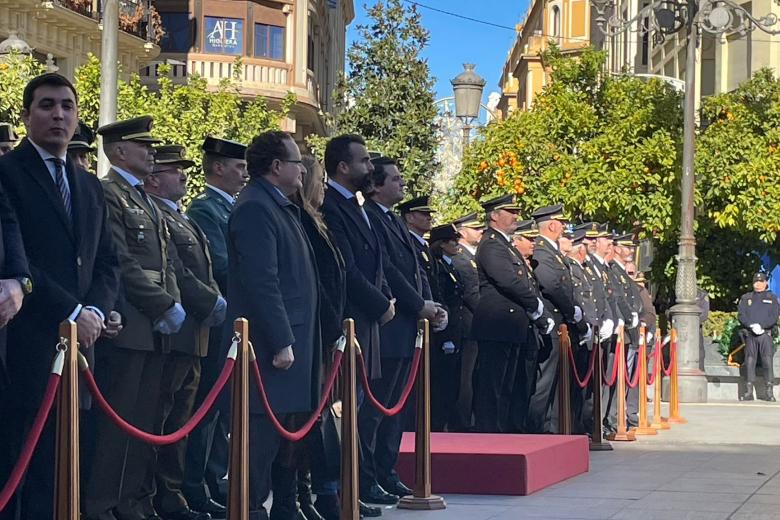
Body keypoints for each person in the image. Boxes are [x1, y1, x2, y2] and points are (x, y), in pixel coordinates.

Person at [0, 73, 119, 520]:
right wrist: (71, 311)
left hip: (82, 350)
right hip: (26, 346)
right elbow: (18, 258)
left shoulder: (87, 183)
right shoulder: (7, 174)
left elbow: (107, 260)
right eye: (47, 105)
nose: (58, 114)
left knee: (66, 468)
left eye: (67, 106)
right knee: (22, 468)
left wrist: (96, 310)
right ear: (27, 114)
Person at [86, 115, 186, 520]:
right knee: (117, 426)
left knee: (142, 424)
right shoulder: (108, 192)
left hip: (152, 329)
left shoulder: (143, 198)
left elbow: (165, 262)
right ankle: (100, 505)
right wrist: (161, 303)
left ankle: (128, 502)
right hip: (127, 322)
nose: (151, 152)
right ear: (119, 151)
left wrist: (170, 302)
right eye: (142, 146)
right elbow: (121, 261)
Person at [225, 130, 321, 520]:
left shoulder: (279, 206)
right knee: (259, 441)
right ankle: (248, 511)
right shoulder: (255, 208)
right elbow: (261, 280)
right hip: (269, 349)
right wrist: (281, 339)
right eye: (296, 162)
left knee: (284, 440)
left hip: (294, 341)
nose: (302, 171)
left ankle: (278, 508)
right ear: (277, 166)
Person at [145, 144, 227, 520]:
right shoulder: (159, 216)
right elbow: (177, 270)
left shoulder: (180, 216)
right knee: (162, 420)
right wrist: (211, 303)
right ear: (154, 178)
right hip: (174, 333)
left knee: (184, 420)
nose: (183, 174)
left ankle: (176, 493)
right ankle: (156, 496)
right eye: (175, 169)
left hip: (195, 336)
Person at [320, 135, 393, 518]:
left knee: (358, 412)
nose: (371, 168)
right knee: (340, 414)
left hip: (364, 326)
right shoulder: (331, 206)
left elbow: (374, 266)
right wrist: (382, 305)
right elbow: (346, 269)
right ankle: (333, 492)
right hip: (347, 323)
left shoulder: (356, 205)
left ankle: (351, 488)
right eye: (364, 161)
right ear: (343, 167)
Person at [361, 157, 436, 505]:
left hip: (406, 327)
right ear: (376, 185)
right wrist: (417, 304)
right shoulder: (371, 218)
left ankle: (386, 470)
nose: (401, 185)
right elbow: (389, 270)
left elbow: (414, 270)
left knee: (395, 409)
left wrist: (430, 305)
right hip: (389, 324)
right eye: (395, 179)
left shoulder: (390, 219)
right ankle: (367, 476)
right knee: (377, 408)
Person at [184, 136, 248, 512]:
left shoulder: (232, 208)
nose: (243, 174)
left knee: (223, 410)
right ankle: (198, 482)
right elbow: (222, 266)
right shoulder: (207, 209)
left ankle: (213, 479)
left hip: (234, 322)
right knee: (207, 408)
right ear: (218, 167)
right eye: (238, 167)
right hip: (219, 320)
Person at [471, 195, 553, 433]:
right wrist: (535, 305)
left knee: (506, 385)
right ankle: (490, 433)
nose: (516, 216)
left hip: (512, 325)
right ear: (494, 215)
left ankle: (502, 431)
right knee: (492, 385)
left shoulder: (505, 244)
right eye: (510, 211)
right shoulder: (491, 244)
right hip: (498, 324)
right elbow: (508, 280)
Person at [294, 155, 346, 520]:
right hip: (314, 329)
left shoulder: (318, 221)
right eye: (319, 180)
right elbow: (316, 283)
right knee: (307, 419)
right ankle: (308, 493)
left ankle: (320, 492)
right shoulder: (300, 220)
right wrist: (332, 324)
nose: (324, 187)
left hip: (326, 330)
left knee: (319, 416)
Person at [527, 204, 582, 434]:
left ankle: (551, 428)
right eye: (561, 223)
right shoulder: (542, 251)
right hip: (552, 323)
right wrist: (572, 311)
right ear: (552, 224)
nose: (562, 227)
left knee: (556, 382)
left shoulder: (552, 252)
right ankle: (537, 428)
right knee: (545, 382)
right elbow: (552, 286)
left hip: (561, 324)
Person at [429, 223, 465, 431]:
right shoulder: (439, 266)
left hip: (455, 328)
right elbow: (443, 299)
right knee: (441, 386)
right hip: (445, 332)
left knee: (452, 385)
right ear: (442, 244)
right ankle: (437, 426)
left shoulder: (449, 266)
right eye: (452, 240)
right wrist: (446, 337)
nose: (456, 244)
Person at [451, 214, 483, 431]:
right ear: (462, 232)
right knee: (465, 379)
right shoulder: (461, 258)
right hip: (467, 326)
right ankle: (462, 422)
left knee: (472, 377)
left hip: (474, 326)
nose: (480, 231)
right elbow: (472, 294)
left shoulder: (471, 257)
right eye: (475, 227)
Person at [737, 272, 780, 402]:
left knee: (767, 362)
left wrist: (762, 326)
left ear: (766, 283)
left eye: (761, 281)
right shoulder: (746, 298)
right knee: (750, 361)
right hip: (751, 334)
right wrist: (751, 325)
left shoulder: (772, 298)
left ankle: (769, 391)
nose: (758, 284)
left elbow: (774, 316)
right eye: (756, 281)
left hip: (765, 334)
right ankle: (748, 391)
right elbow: (741, 315)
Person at [398, 196, 437, 298]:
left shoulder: (423, 245)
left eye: (429, 214)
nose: (429, 217)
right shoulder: (407, 243)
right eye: (424, 214)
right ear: (409, 217)